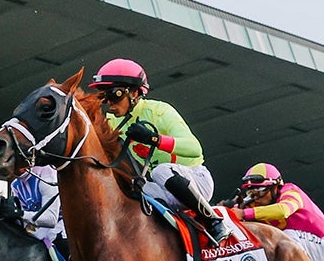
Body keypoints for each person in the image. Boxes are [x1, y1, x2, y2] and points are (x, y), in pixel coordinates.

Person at [86, 58, 225, 241]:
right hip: (160, 188)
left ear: (135, 92)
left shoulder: (159, 111)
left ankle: (212, 220)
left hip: (195, 180)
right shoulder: (112, 122)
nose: (109, 103)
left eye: (114, 94)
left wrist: (155, 139)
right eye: (104, 97)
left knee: (161, 170)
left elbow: (195, 149)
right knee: (132, 195)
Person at [228, 162, 324, 261]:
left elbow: (283, 210)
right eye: (250, 191)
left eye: (259, 189)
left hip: (319, 244)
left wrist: (244, 213)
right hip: (296, 241)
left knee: (284, 236)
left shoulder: (291, 191)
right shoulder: (252, 202)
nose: (256, 196)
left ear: (275, 186)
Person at [12, 164, 66, 248]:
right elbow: (24, 222)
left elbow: (51, 219)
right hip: (43, 232)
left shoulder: (46, 173)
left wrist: (20, 214)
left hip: (64, 228)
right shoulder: (15, 185)